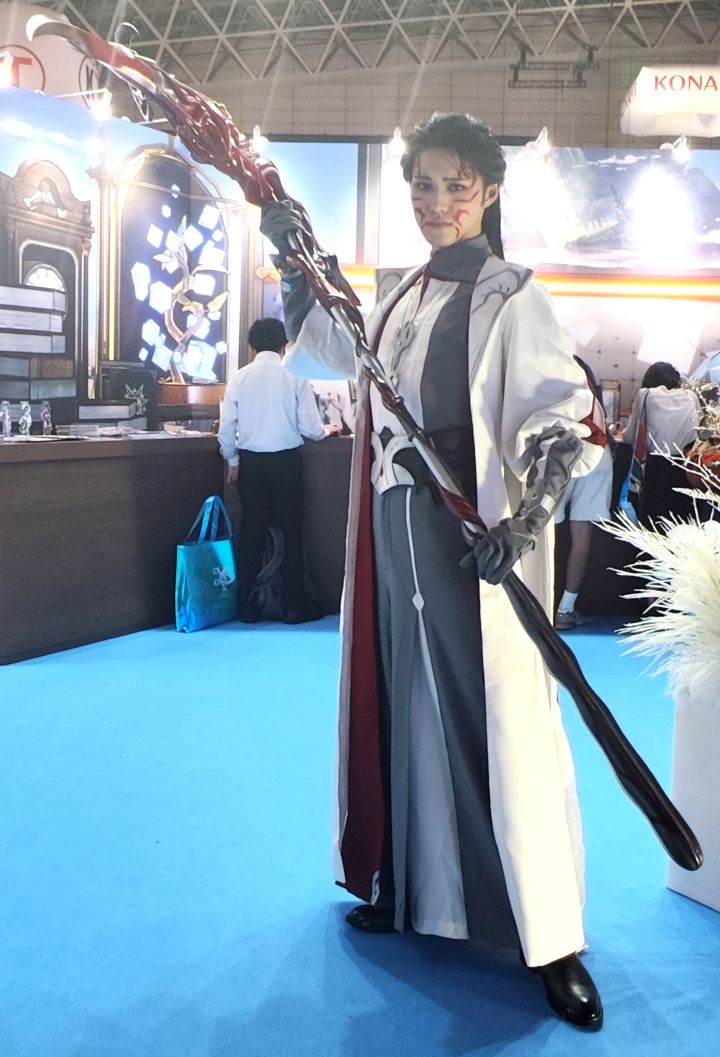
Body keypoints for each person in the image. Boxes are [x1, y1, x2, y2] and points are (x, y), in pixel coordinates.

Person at [261, 113, 606, 1030]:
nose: (437, 201)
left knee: (497, 718)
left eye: (456, 185)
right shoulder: (399, 295)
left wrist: (523, 520)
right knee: (404, 705)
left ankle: (548, 935)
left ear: (488, 192)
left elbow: (560, 418)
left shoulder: (512, 296)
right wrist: (293, 264)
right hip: (392, 533)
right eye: (422, 184)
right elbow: (337, 351)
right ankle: (411, 889)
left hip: (471, 545)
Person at [217, 317, 331, 624]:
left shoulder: (239, 378)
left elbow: (226, 428)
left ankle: (246, 606)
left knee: (252, 532)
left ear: (251, 345)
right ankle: (293, 606)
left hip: (251, 464)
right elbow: (311, 427)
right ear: (285, 344)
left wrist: (232, 460)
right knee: (292, 532)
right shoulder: (295, 375)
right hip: (286, 462)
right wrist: (325, 431)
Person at [554, 359, 614, 630]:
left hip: (557, 455)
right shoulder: (593, 398)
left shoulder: (551, 388)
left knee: (544, 532)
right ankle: (565, 609)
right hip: (596, 456)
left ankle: (540, 600)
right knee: (582, 535)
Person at [623, 362, 701, 523]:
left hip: (657, 466)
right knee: (683, 518)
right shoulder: (691, 396)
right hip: (686, 466)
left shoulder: (646, 394)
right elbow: (700, 430)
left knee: (655, 518)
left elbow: (630, 436)